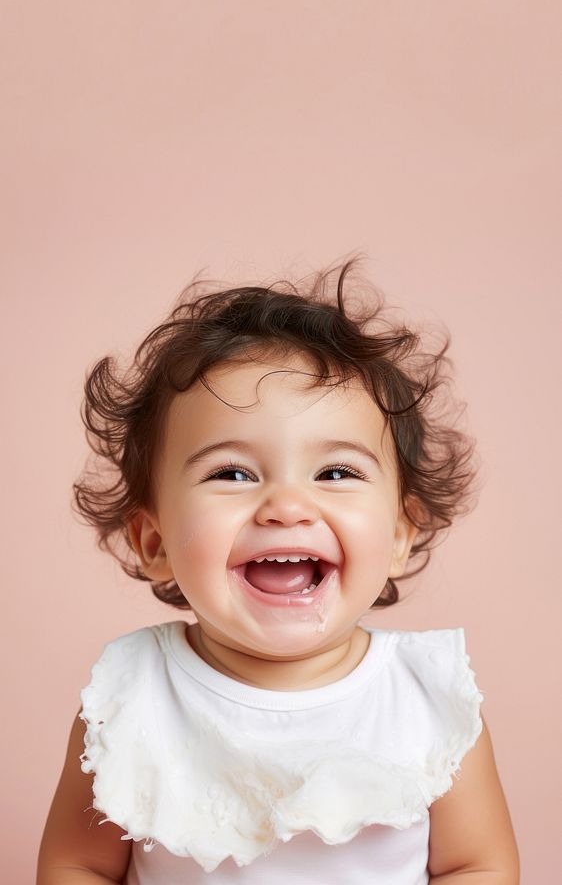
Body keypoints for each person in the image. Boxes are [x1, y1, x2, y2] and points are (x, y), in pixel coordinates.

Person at [38, 259, 519, 884]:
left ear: (400, 534)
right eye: (231, 474)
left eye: (336, 473)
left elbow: (477, 865)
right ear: (153, 541)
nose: (287, 506)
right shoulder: (131, 697)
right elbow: (77, 864)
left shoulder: (427, 699)